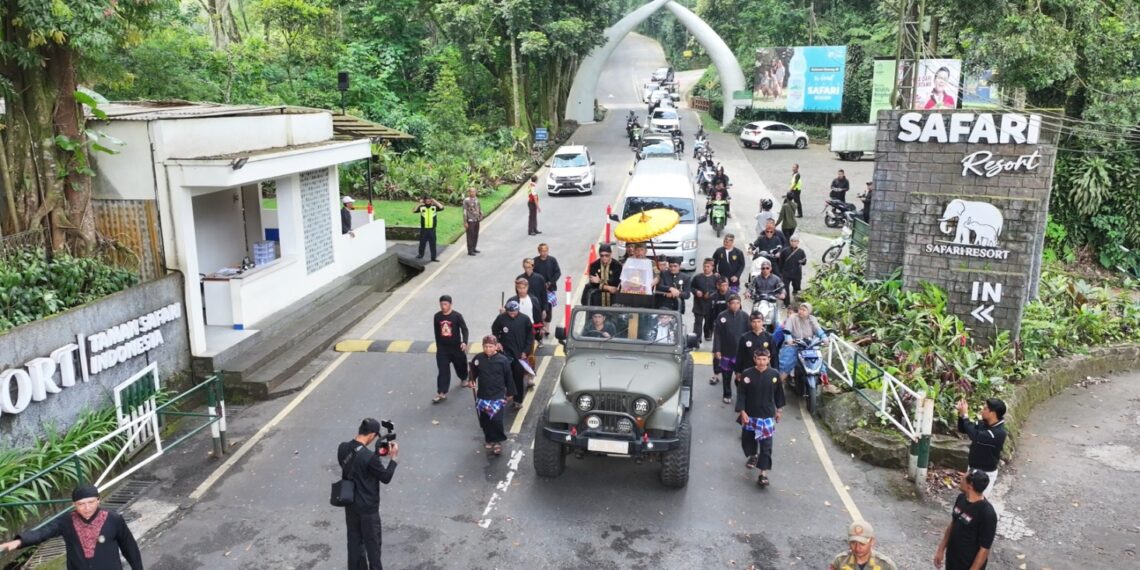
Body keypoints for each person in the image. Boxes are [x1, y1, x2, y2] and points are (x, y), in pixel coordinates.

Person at [0, 484, 143, 570]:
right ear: (74, 505)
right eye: (81, 504)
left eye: (91, 502)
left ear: (98, 501)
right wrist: (19, 541)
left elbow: (129, 547)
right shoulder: (66, 521)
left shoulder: (113, 519)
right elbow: (43, 532)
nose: (87, 508)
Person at [337, 418, 399, 570]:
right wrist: (393, 459)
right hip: (368, 509)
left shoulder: (343, 448)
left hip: (350, 504)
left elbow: (357, 466)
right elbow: (385, 477)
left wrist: (375, 455)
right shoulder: (369, 458)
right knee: (373, 547)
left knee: (354, 543)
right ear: (372, 435)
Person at [736, 349, 785, 487]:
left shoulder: (774, 375)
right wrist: (742, 411)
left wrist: (779, 410)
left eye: (764, 359)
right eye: (759, 359)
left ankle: (763, 473)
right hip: (750, 414)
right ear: (754, 359)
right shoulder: (747, 374)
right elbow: (741, 394)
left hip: (767, 415)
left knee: (766, 446)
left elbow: (779, 394)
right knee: (748, 439)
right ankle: (752, 456)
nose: (761, 362)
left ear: (769, 359)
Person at [934, 470, 998, 570]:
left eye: (963, 478)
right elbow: (952, 524)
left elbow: (984, 549)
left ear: (970, 485)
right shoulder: (961, 498)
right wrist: (941, 549)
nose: (960, 480)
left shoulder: (987, 514)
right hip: (952, 561)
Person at [469, 335, 516, 456]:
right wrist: (471, 380)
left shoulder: (503, 360)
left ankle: (497, 442)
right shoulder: (478, 358)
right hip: (483, 395)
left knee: (496, 420)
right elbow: (473, 370)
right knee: (484, 421)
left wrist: (510, 392)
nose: (488, 349)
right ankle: (489, 439)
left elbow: (508, 377)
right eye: (485, 346)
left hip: (497, 396)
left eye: (490, 346)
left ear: (496, 347)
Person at [956, 398, 1007, 495]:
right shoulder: (983, 423)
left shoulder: (999, 433)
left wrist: (966, 416)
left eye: (985, 409)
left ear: (992, 413)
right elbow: (963, 429)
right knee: (965, 498)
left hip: (985, 474)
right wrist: (961, 414)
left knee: (977, 502)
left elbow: (976, 436)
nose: (981, 411)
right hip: (971, 469)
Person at [491, 300, 535, 409]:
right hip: (505, 353)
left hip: (520, 355)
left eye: (514, 312)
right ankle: (506, 394)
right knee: (505, 376)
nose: (512, 314)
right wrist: (498, 342)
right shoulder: (501, 318)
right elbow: (494, 330)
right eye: (509, 312)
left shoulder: (525, 319)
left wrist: (526, 351)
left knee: (518, 377)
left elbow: (530, 337)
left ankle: (518, 400)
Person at [431, 295, 469, 403]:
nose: (443, 307)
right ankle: (441, 392)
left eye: (445, 304)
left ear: (451, 304)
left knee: (461, 365)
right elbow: (436, 332)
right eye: (441, 304)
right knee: (443, 371)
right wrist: (439, 347)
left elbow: (464, 330)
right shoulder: (437, 316)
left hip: (456, 347)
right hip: (443, 349)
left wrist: (464, 342)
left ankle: (463, 378)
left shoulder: (457, 316)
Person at [712, 294, 749, 404]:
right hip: (726, 351)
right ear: (728, 304)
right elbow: (717, 334)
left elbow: (748, 334)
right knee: (726, 375)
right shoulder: (722, 316)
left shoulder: (745, 316)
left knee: (740, 376)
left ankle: (741, 396)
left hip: (740, 353)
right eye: (733, 303)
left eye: (738, 303)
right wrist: (717, 349)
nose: (735, 305)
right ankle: (727, 394)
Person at [779, 302, 825, 382]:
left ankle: (826, 383)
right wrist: (789, 339)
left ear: (809, 312)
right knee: (787, 361)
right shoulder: (793, 318)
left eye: (804, 310)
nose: (801, 311)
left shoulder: (812, 319)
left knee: (820, 362)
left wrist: (824, 337)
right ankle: (778, 382)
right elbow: (787, 330)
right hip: (795, 343)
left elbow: (818, 329)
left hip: (809, 344)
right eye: (800, 309)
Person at [828, 520, 898, 570]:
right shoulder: (839, 561)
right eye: (853, 543)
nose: (857, 548)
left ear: (872, 541)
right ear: (849, 542)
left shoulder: (886, 565)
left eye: (862, 543)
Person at [506, 276, 545, 352]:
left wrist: (541, 327)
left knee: (529, 349)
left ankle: (529, 361)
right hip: (516, 328)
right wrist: (503, 312)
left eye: (524, 288)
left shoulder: (533, 299)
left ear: (527, 288)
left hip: (530, 328)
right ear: (516, 288)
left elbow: (537, 314)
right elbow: (506, 314)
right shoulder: (512, 300)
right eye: (519, 288)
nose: (522, 290)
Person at [734, 312, 775, 379]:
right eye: (754, 322)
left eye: (759, 322)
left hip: (764, 370)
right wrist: (738, 371)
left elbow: (774, 355)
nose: (756, 324)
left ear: (763, 322)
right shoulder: (744, 337)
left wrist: (775, 371)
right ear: (750, 323)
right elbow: (740, 355)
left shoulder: (769, 337)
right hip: (747, 369)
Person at [517, 258, 550, 341]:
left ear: (533, 266)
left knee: (538, 327)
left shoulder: (540, 278)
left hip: (537, 307)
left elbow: (544, 294)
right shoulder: (520, 278)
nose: (527, 269)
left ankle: (539, 340)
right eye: (525, 267)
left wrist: (545, 309)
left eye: (529, 267)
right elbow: (517, 294)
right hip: (525, 306)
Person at [532, 244, 561, 335]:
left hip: (549, 288)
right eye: (542, 251)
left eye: (545, 251)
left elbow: (558, 272)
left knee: (548, 307)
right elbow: (532, 273)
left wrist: (550, 283)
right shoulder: (535, 261)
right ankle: (540, 326)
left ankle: (547, 327)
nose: (544, 253)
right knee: (538, 307)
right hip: (538, 289)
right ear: (539, 251)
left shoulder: (552, 260)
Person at [690, 258, 719, 341]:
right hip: (699, 304)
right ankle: (696, 339)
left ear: (712, 267)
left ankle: (708, 333)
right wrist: (696, 292)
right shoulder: (697, 277)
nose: (706, 268)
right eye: (705, 266)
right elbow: (691, 287)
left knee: (709, 322)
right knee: (698, 323)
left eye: (708, 266)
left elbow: (718, 290)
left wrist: (710, 295)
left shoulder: (716, 278)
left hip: (711, 306)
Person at [413, 195, 444, 262]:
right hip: (424, 229)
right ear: (424, 200)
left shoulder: (434, 207)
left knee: (432, 243)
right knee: (422, 242)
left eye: (429, 199)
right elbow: (414, 210)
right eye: (426, 199)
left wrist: (434, 200)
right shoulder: (422, 207)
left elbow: (441, 207)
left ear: (431, 200)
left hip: (432, 229)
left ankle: (433, 257)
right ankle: (420, 255)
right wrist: (419, 203)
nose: (428, 200)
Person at [780, 236, 806, 307]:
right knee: (785, 288)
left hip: (796, 274)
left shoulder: (801, 251)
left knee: (797, 288)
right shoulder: (785, 251)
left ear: (798, 242)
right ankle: (786, 303)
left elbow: (804, 262)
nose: (794, 243)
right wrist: (781, 272)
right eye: (792, 241)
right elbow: (781, 262)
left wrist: (801, 261)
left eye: (795, 241)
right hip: (786, 273)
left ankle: (797, 302)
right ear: (790, 241)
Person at [462, 187, 483, 256]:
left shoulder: (477, 199)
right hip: (470, 220)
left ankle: (474, 248)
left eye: (474, 191)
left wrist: (481, 214)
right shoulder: (466, 200)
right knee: (470, 235)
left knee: (475, 234)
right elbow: (464, 211)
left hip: (476, 220)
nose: (473, 193)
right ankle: (470, 250)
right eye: (471, 192)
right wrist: (465, 222)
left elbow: (479, 208)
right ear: (469, 192)